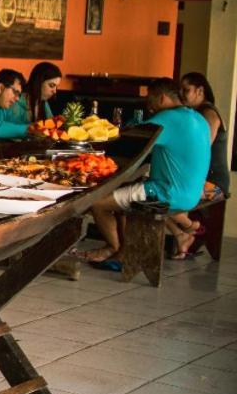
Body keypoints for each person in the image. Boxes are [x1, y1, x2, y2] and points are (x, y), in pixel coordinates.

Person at [83, 78, 211, 267]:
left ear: (162, 98)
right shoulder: (199, 118)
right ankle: (122, 247)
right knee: (123, 194)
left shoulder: (166, 118)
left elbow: (129, 140)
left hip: (166, 193)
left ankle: (116, 250)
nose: (148, 103)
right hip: (192, 195)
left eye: (150, 98)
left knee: (98, 202)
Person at [180, 71, 230, 197]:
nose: (180, 94)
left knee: (178, 195)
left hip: (215, 185)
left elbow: (202, 148)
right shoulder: (196, 113)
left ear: (200, 91)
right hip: (203, 180)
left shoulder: (209, 114)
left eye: (186, 90)